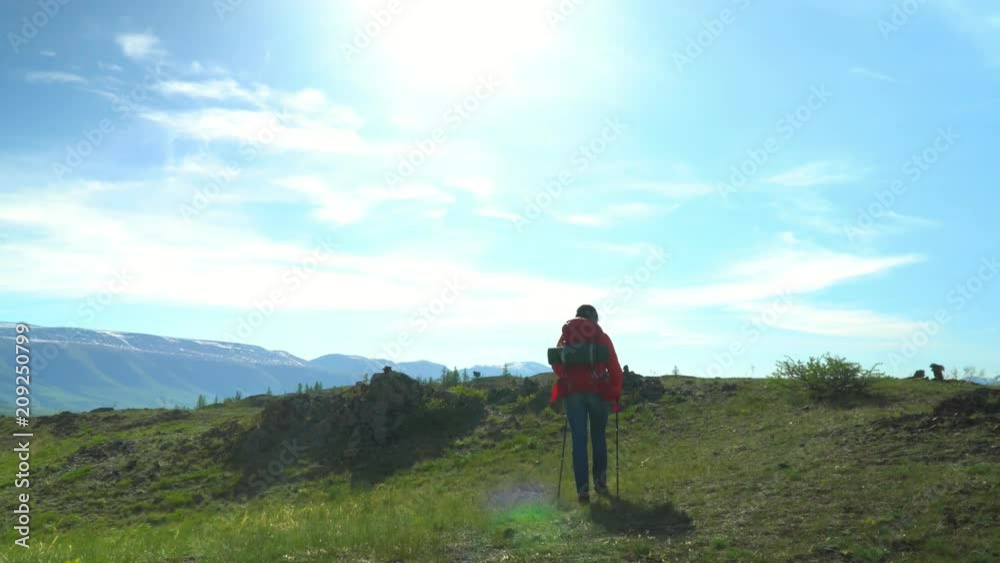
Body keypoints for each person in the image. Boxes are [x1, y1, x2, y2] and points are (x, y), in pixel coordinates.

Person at [549, 304, 623, 504]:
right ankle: (600, 484)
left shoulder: (567, 336)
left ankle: (582, 492)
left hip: (573, 394)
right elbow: (614, 367)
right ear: (594, 319)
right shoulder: (601, 336)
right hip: (597, 392)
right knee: (598, 438)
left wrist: (569, 377)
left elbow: (557, 362)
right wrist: (615, 392)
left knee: (578, 441)